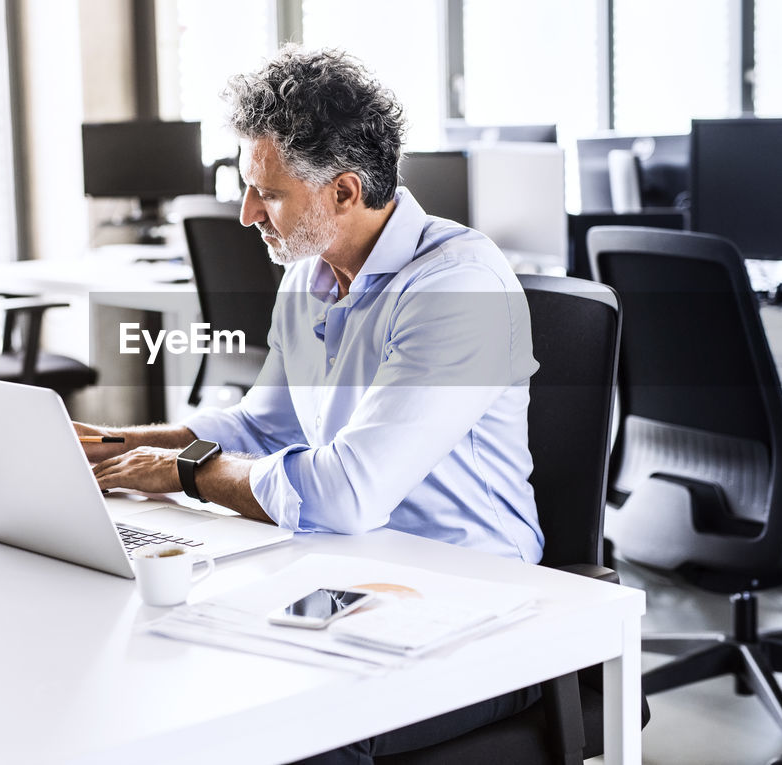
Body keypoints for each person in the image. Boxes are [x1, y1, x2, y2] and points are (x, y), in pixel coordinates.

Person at [77, 46, 542, 761]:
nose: (244, 213)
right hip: (352, 576)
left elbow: (348, 491)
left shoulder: (457, 287)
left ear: (345, 192)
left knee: (279, 729)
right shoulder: (312, 273)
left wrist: (182, 474)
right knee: (165, 675)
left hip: (475, 607)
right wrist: (116, 445)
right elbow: (263, 424)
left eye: (270, 193)